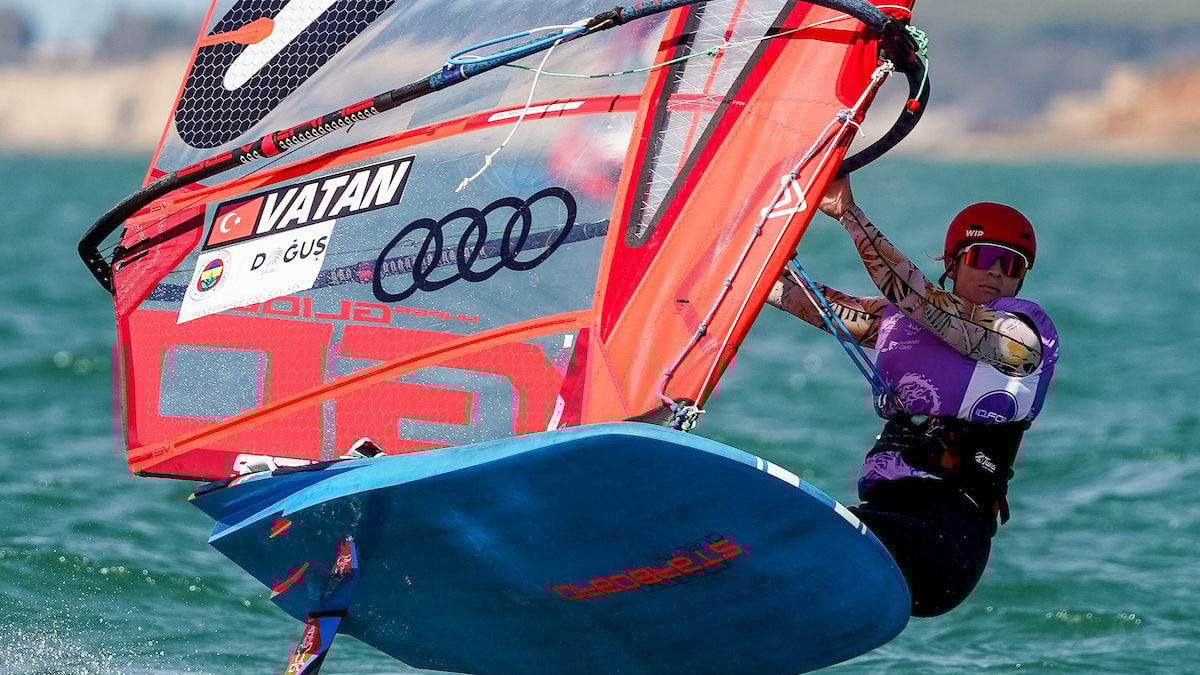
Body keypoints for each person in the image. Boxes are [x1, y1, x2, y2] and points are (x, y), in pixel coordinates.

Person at [767, 176, 1059, 617]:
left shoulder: (1023, 335)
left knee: (801, 536)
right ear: (953, 264)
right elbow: (805, 298)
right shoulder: (899, 320)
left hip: (945, 540)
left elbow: (920, 300)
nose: (997, 271)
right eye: (984, 257)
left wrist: (849, 214)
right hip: (886, 516)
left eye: (1012, 265)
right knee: (784, 541)